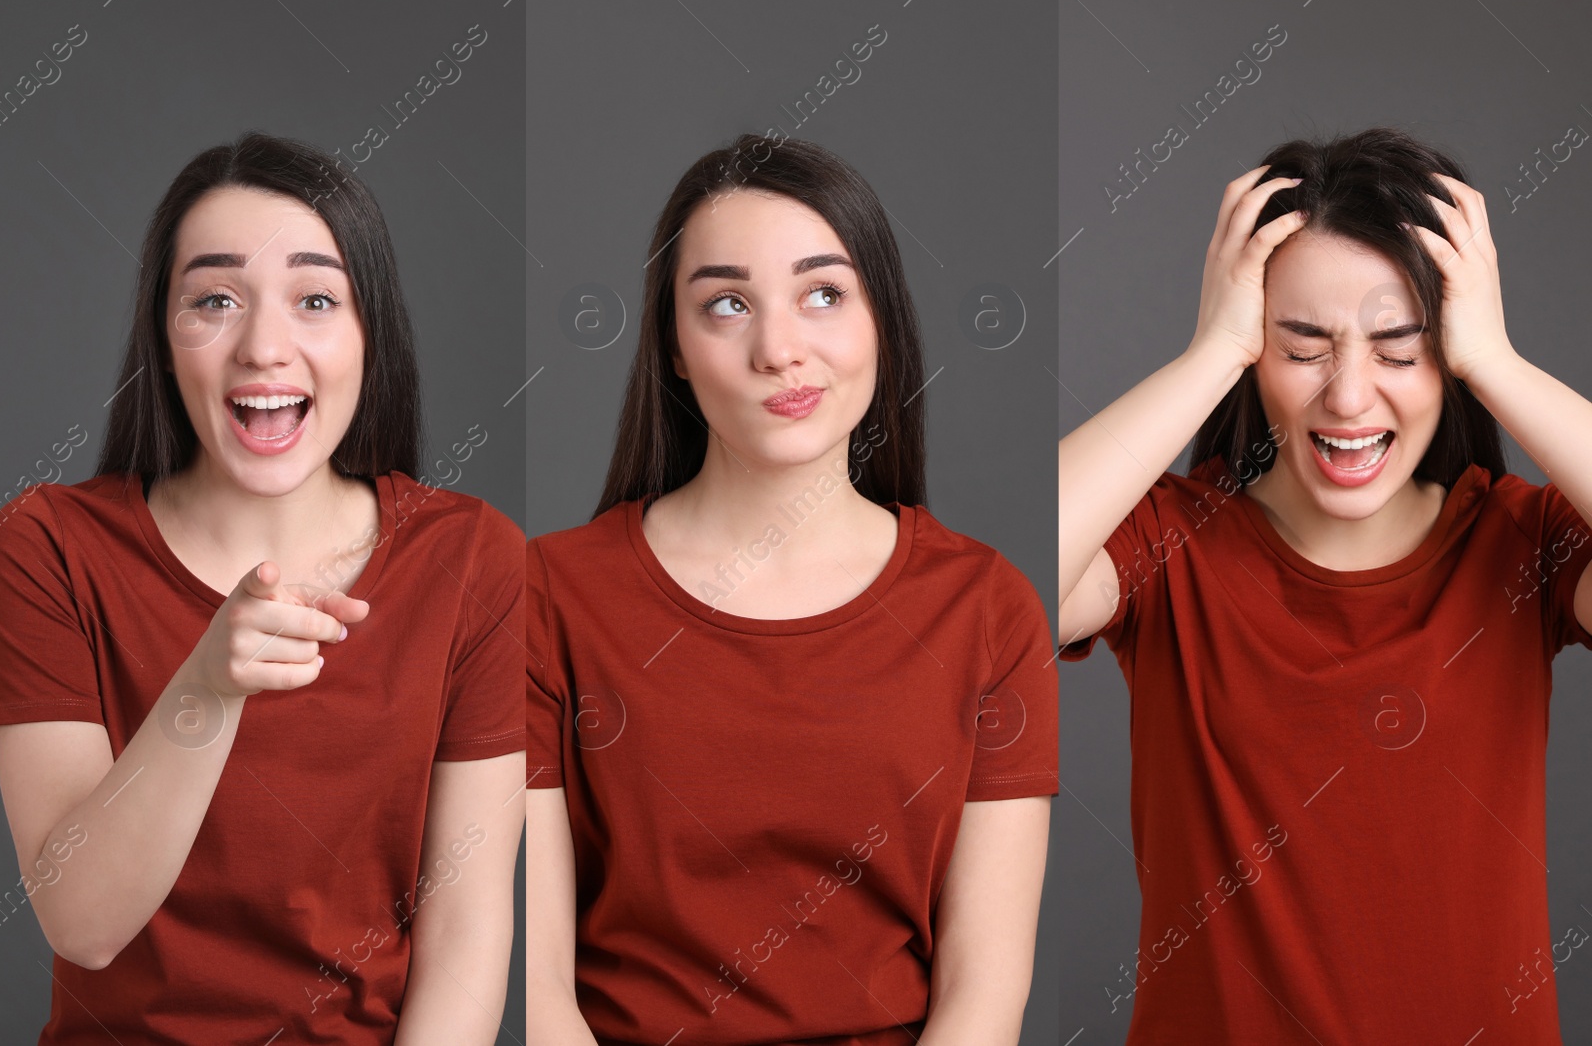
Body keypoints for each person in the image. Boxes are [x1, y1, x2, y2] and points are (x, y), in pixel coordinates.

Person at [1058, 126, 1592, 1043]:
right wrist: (1208, 354)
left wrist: (1495, 362)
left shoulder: (1520, 544)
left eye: (1399, 348)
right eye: (1300, 346)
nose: (1348, 397)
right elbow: (978, 596)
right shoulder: (1166, 543)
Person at [0, 131, 526, 1043]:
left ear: (371, 334)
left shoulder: (475, 556)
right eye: (215, 300)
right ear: (164, 338)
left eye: (316, 299)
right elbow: (81, 926)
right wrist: (204, 689)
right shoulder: (45, 547)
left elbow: (467, 933)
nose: (265, 348)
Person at [526, 133, 1058, 1045]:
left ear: (881, 320)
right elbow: (533, 990)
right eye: (728, 303)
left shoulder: (986, 608)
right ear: (676, 351)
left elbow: (984, 998)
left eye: (823, 293)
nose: (779, 349)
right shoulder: (546, 594)